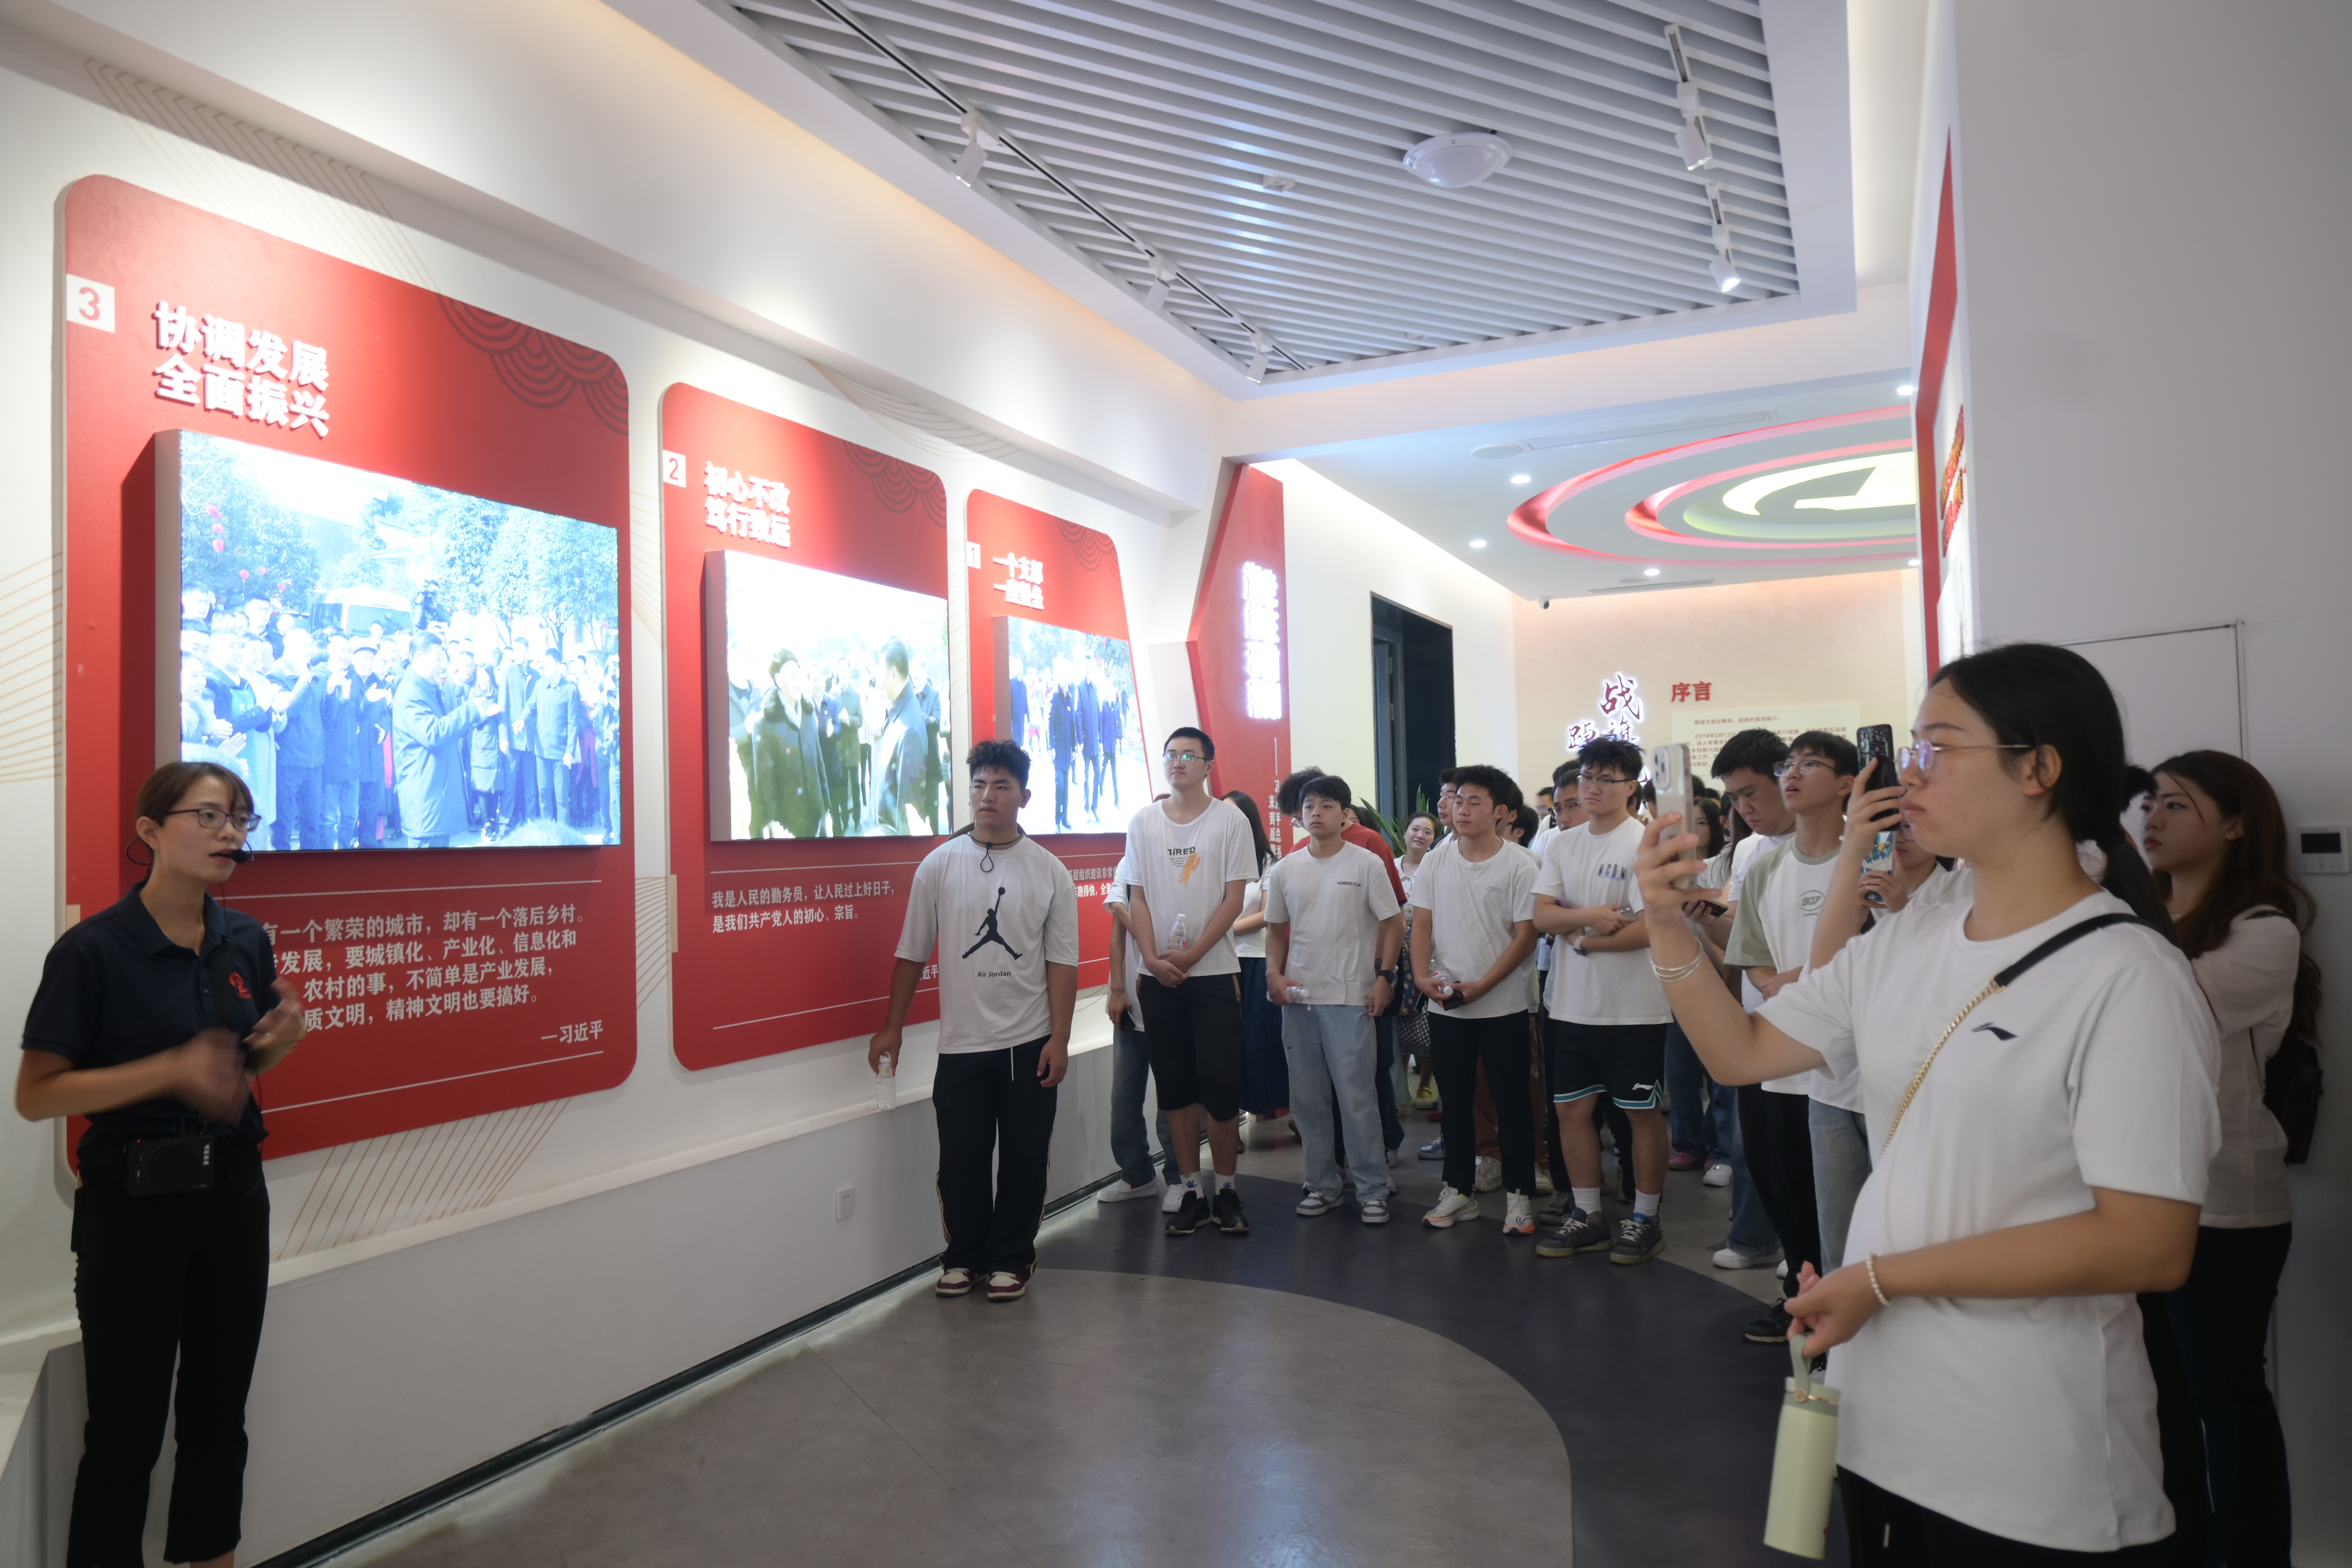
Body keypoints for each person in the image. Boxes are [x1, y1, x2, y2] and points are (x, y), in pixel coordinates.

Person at [1636, 641, 2216, 1563]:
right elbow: (1741, 1052)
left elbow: (2147, 1239)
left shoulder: (2126, 972)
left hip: (2033, 1459)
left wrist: (1879, 1278)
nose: (1908, 774)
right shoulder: (1908, 939)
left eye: (1937, 747)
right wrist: (1666, 925)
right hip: (1882, 1421)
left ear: (2039, 768)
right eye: (1911, 747)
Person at [15, 762, 309, 1568]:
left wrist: (276, 1045)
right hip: (135, 1204)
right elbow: (38, 1094)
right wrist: (169, 1069)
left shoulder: (245, 938)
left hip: (234, 1194)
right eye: (209, 815)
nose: (229, 833)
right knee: (126, 1431)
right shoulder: (93, 950)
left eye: (240, 819)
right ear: (149, 831)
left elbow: (228, 1074)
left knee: (219, 1414)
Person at [2137, 750, 2311, 1568]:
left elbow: (2160, 1003)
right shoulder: (2131, 920)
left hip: (2226, 1203)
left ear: (2237, 825)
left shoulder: (2265, 931)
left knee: (2224, 1396)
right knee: (2155, 1397)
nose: (2152, 818)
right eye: (2148, 803)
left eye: (2175, 804)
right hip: (2134, 1200)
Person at [870, 740, 1077, 1302]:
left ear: (1024, 796)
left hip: (1029, 1041)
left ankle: (1011, 1258)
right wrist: (892, 1026)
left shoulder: (1049, 871)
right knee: (962, 1158)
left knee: (1024, 1159)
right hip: (961, 1044)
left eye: (1002, 786)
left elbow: (1062, 962)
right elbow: (911, 952)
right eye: (980, 785)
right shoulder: (939, 865)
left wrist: (1059, 1038)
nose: (988, 796)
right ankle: (963, 1257)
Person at [1725, 732, 1866, 1291]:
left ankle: (1845, 1307)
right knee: (1783, 1185)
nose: (1793, 774)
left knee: (1846, 1200)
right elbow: (1752, 954)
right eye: (1789, 764)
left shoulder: (1871, 856)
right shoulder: (1765, 867)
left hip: (1849, 1062)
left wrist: (1797, 981)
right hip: (1779, 1053)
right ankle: (1798, 1302)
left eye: (1811, 765)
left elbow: (1879, 946)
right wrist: (1773, 983)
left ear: (1848, 783)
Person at [1532, 737, 1673, 1264]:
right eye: (1587, 777)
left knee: (1640, 1115)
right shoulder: (1562, 843)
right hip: (1571, 1005)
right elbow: (1542, 915)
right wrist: (1591, 917)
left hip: (1634, 1006)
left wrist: (1582, 940)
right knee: (1571, 1111)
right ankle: (1588, 1215)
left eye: (1605, 778)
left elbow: (1649, 929)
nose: (1591, 787)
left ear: (1632, 786)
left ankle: (1646, 1218)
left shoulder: (1643, 843)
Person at [1122, 728, 1258, 1237]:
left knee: (1221, 1084)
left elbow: (1234, 898)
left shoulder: (1229, 820)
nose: (1177, 762)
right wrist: (1151, 959)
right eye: (1170, 754)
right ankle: (1192, 1192)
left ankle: (1227, 1189)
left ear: (1208, 765)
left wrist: (1194, 953)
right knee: (1174, 1088)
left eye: (1188, 755)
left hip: (1214, 973)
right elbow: (1136, 898)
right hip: (1158, 977)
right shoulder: (1143, 821)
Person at [1263, 773, 1404, 1223]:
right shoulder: (1287, 868)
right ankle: (1322, 1184)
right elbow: (1275, 930)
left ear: (1345, 814)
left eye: (1326, 806)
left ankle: (1372, 1188)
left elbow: (1394, 922)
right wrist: (1273, 974)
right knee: (1308, 1102)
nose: (1316, 814)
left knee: (1357, 1097)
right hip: (1300, 998)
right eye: (1309, 807)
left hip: (1350, 997)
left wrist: (1384, 977)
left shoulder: (1366, 863)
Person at [1706, 727, 1809, 1335]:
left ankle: (1811, 1284)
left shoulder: (1845, 845)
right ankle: (1788, 1267)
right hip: (1757, 1031)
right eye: (1735, 798)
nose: (1743, 807)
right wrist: (1703, 919)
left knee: (1812, 1169)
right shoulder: (1748, 853)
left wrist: (1786, 979)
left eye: (1752, 793)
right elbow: (1740, 942)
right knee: (1763, 1156)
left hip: (1818, 1040)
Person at [1409, 763, 1541, 1234]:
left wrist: (1483, 985)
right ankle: (1458, 1191)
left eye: (1474, 802)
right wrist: (1421, 977)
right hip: (1446, 1003)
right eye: (1457, 800)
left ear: (1502, 812)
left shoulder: (1522, 864)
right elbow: (1422, 924)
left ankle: (1520, 1196)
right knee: (1457, 1102)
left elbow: (1526, 936)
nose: (1461, 809)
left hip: (1503, 1005)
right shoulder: (1437, 860)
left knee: (1512, 1102)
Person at [1097, 853, 1182, 1211]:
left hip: (1173, 1001)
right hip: (1132, 1007)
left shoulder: (1183, 864)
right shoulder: (1129, 863)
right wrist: (1116, 988)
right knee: (1123, 1100)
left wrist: (1127, 914)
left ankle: (1179, 1179)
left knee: (1173, 1101)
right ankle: (1137, 1175)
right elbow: (1117, 932)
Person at [393, 634, 500, 849]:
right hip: (425, 802)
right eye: (438, 659)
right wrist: (469, 709)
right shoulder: (411, 693)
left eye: (444, 659)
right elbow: (434, 733)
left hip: (434, 801)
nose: (443, 665)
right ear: (418, 657)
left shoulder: (426, 689)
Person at [1225, 790, 1287, 1134]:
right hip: (1218, 961)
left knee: (1261, 1042)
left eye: (1232, 814)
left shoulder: (1267, 862)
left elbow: (1267, 915)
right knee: (1224, 1045)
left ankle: (1286, 1113)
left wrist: (1223, 930)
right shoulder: (1214, 858)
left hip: (1254, 960)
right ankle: (1227, 1124)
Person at [747, 649, 827, 839]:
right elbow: (765, 789)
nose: (799, 682)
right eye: (793, 677)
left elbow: (819, 765)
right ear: (779, 680)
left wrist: (825, 809)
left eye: (800, 676)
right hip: (787, 829)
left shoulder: (809, 714)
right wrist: (773, 831)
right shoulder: (765, 725)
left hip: (816, 820)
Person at [1048, 670, 1078, 831]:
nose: (1065, 682)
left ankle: (1065, 817)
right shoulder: (1055, 697)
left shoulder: (1070, 699)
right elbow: (1051, 724)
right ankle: (1057, 819)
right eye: (1063, 678)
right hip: (1058, 751)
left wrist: (1075, 748)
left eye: (1067, 678)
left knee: (1066, 787)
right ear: (1059, 681)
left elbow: (1073, 725)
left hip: (1068, 752)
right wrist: (1051, 747)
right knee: (1059, 785)